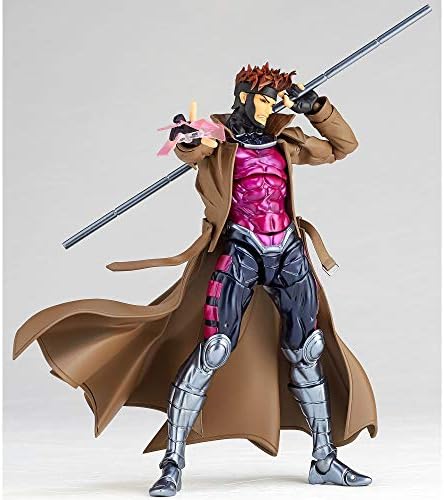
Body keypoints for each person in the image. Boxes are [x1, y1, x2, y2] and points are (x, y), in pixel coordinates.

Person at [148, 63, 372, 496]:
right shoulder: (218, 138)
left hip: (287, 249)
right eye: (267, 99)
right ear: (244, 98)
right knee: (214, 349)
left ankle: (324, 458)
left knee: (308, 350)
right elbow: (191, 149)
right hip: (242, 248)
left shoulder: (286, 139)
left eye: (277, 99)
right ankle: (173, 462)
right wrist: (186, 138)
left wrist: (316, 108)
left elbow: (343, 146)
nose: (274, 106)